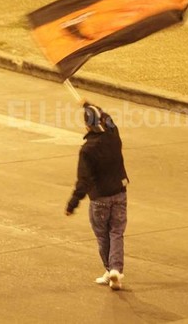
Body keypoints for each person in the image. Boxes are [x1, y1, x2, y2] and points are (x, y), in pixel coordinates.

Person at [65, 102, 129, 290]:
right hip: (119, 193)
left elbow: (83, 181)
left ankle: (110, 269)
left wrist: (72, 204)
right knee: (116, 232)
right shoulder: (113, 135)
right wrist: (89, 105)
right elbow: (107, 118)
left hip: (99, 199)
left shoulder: (87, 149)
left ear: (87, 126)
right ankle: (116, 269)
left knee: (103, 236)